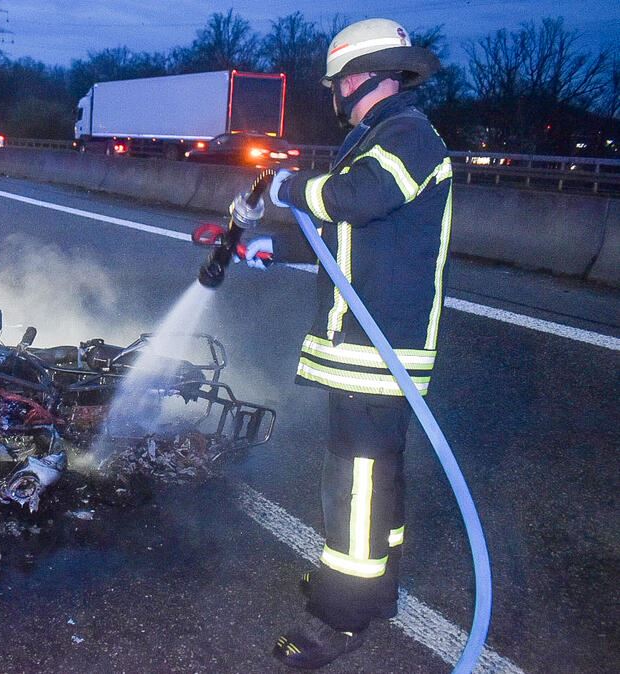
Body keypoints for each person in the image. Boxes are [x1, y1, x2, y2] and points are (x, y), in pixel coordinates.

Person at [232, 18, 454, 669]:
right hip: (359, 349)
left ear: (357, 77)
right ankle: (370, 590)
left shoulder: (407, 136)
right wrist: (267, 245)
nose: (335, 91)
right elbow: (342, 240)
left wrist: (284, 186)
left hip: (379, 351)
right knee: (372, 486)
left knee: (357, 490)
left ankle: (341, 618)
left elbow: (355, 200)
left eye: (339, 79)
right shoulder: (377, 138)